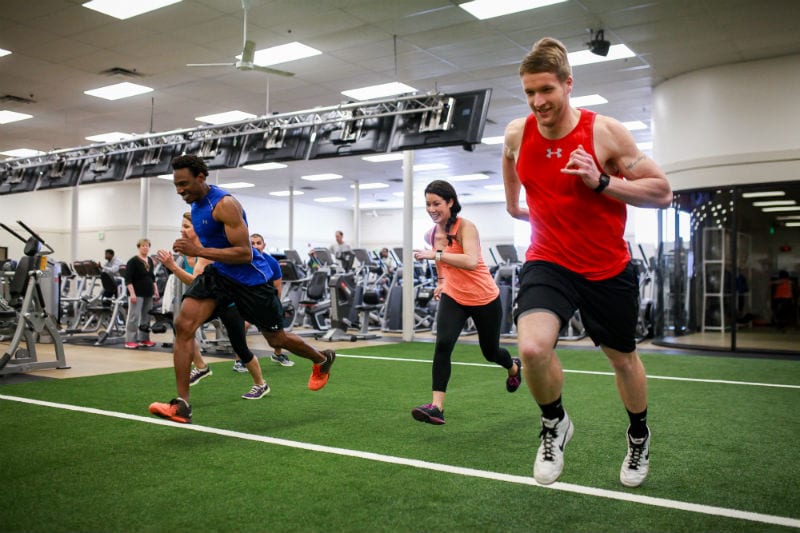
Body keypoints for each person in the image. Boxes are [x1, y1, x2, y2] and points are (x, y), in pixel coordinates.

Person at [502, 37, 672, 488]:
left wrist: (602, 182)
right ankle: (554, 424)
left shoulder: (604, 133)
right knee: (533, 349)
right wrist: (513, 204)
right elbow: (509, 157)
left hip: (606, 268)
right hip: (549, 261)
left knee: (623, 360)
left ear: (567, 84)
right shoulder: (519, 132)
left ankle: (638, 434)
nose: (538, 102)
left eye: (546, 90)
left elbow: (662, 192)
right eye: (529, 93)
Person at [149, 155, 335, 424]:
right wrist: (193, 247)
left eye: (184, 184)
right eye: (176, 185)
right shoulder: (197, 205)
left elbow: (245, 254)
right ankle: (182, 404)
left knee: (277, 339)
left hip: (252, 282)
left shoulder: (225, 204)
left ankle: (322, 359)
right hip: (221, 275)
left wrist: (198, 250)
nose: (180, 191)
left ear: (201, 177)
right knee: (183, 324)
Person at [410, 180, 522, 426]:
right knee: (443, 345)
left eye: (436, 203)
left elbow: (471, 261)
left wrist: (435, 254)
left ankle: (513, 366)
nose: (431, 209)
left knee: (490, 352)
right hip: (454, 296)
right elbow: (440, 262)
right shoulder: (432, 234)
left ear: (450, 202)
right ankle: (437, 407)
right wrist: (441, 280)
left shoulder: (466, 227)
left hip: (484, 297)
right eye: (428, 204)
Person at [157, 213, 270, 400]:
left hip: (227, 301)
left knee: (240, 347)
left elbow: (196, 281)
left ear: (197, 229)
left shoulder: (206, 251)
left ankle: (260, 384)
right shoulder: (186, 253)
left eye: (186, 226)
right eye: (181, 226)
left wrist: (173, 267)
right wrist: (173, 265)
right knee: (182, 327)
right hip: (209, 301)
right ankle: (201, 366)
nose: (181, 230)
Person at [249, 232, 294, 367]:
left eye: (258, 243)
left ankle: (278, 354)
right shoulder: (243, 261)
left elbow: (277, 286)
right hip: (249, 299)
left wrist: (276, 306)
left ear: (264, 245)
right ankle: (240, 360)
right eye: (252, 243)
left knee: (277, 329)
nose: (255, 246)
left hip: (267, 300)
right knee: (242, 326)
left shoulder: (272, 263)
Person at [123, 239, 159, 349]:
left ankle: (144, 339)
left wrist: (156, 290)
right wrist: (132, 294)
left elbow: (152, 277)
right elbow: (128, 279)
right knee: (134, 316)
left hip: (148, 292)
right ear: (139, 247)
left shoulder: (150, 260)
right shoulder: (132, 261)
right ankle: (130, 340)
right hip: (136, 293)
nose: (145, 248)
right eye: (143, 246)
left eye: (147, 246)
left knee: (146, 317)